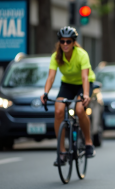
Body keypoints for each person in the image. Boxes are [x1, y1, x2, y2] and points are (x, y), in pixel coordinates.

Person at [41, 26, 96, 166]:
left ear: (73, 42)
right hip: (67, 85)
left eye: (68, 41)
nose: (65, 44)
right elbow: (51, 77)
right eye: (62, 41)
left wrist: (85, 95)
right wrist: (45, 93)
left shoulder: (82, 54)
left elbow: (85, 78)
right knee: (58, 110)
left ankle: (88, 142)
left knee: (79, 109)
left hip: (84, 84)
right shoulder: (56, 56)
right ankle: (61, 152)